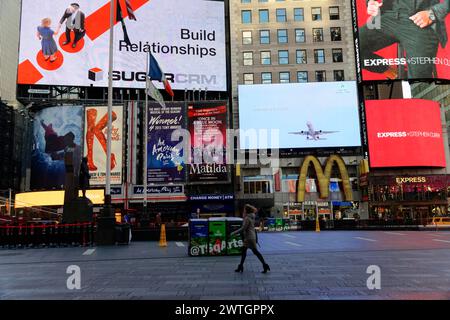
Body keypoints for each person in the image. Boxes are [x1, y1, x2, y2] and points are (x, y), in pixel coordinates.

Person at [359, 0, 450, 79]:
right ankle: (392, 73)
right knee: (352, 49)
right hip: (387, 15)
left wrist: (432, 14)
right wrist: (370, 2)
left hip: (419, 21)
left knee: (419, 79)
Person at [231, 204, 270, 274]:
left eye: (244, 209)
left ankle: (265, 265)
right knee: (244, 252)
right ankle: (241, 266)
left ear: (247, 210)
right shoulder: (251, 217)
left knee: (255, 252)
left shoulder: (247, 218)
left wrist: (234, 233)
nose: (243, 210)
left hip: (249, 238)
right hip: (251, 237)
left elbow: (243, 228)